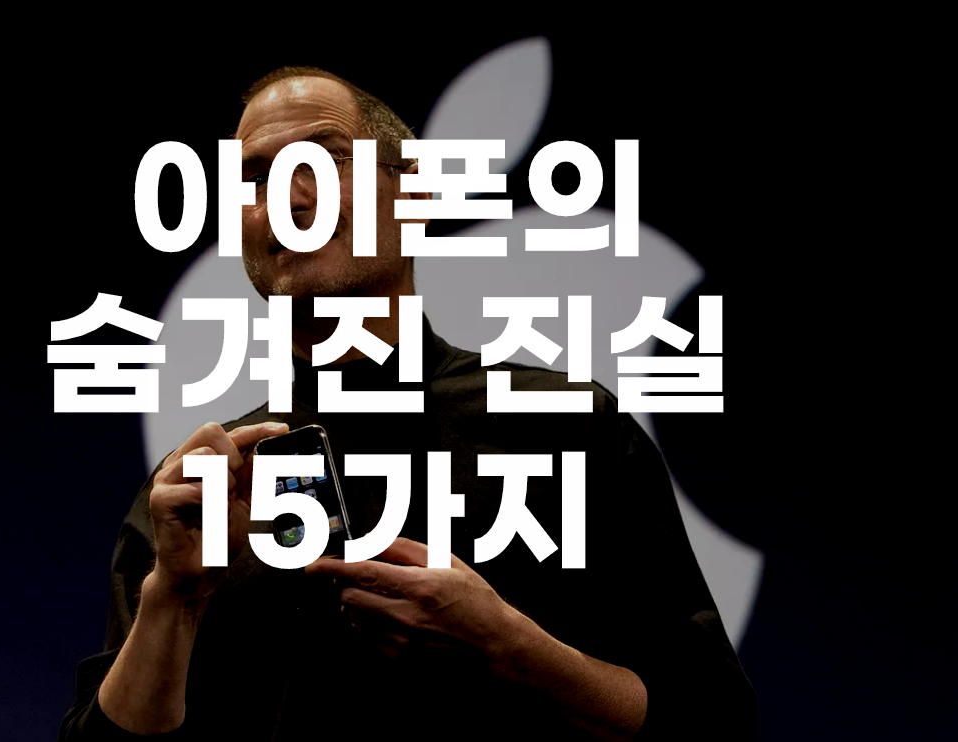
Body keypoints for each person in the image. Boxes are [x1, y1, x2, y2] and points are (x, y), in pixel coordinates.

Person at [59, 67, 756, 741]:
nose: (289, 201)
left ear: (414, 192)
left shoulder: (566, 428)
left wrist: (511, 646)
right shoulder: (201, 495)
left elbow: (712, 722)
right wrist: (172, 598)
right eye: (253, 179)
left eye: (325, 159)